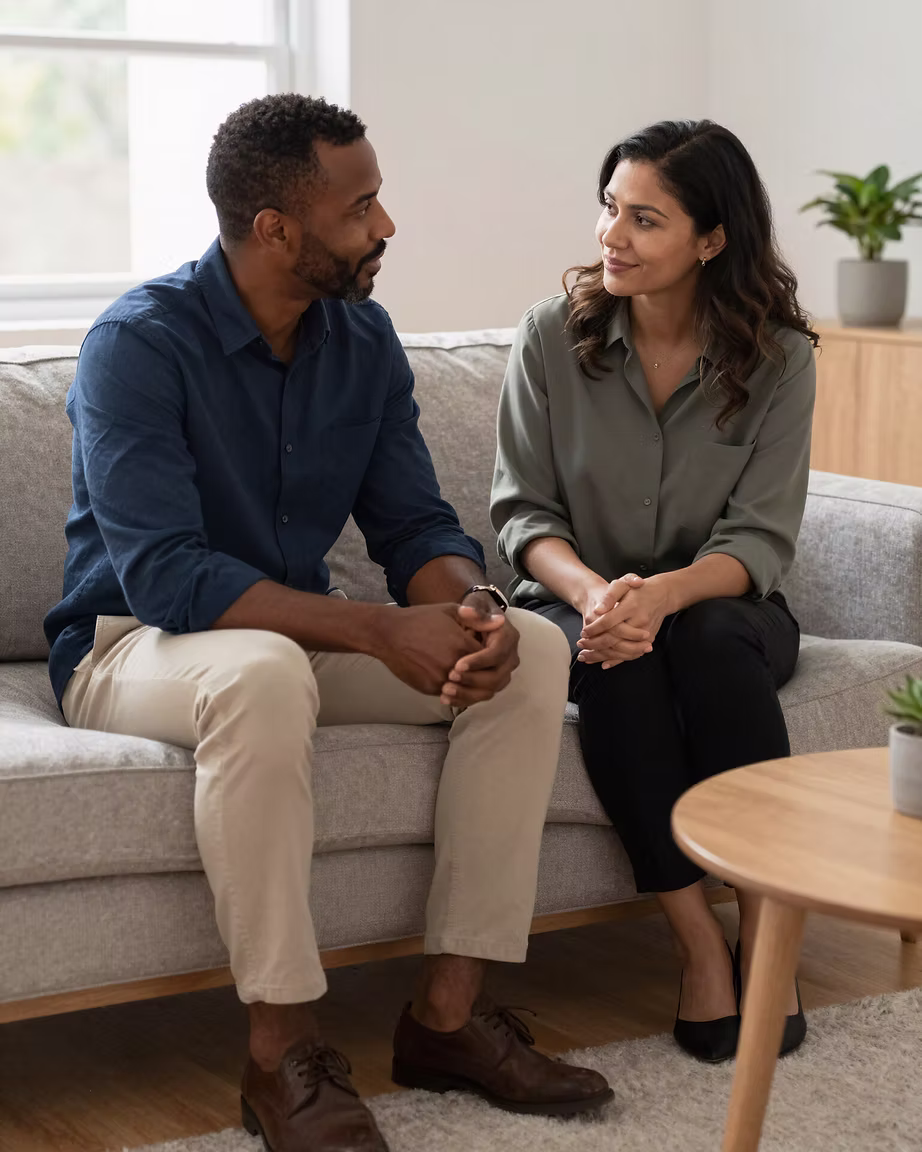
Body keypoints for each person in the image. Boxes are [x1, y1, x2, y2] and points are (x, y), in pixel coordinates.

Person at [44, 94, 613, 1152]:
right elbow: (166, 576)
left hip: (284, 641)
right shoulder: (137, 344)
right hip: (132, 645)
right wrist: (375, 631)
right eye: (360, 209)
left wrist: (469, 607)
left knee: (533, 648)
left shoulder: (362, 335)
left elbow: (412, 524)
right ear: (276, 229)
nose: (385, 225)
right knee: (263, 672)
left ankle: (446, 1018)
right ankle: (280, 1055)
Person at [491, 119, 817, 1064]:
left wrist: (662, 596)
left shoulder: (781, 358)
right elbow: (522, 513)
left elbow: (759, 536)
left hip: (724, 603)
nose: (612, 238)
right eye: (608, 209)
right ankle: (697, 947)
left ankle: (770, 933)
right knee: (617, 666)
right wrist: (599, 597)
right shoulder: (552, 338)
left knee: (709, 642)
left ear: (711, 241)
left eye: (645, 219)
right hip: (576, 595)